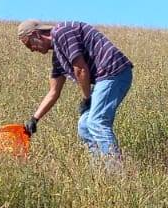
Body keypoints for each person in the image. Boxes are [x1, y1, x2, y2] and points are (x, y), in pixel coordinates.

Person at [16, 19, 133, 161]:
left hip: (114, 72)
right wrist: (34, 119)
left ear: (36, 34)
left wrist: (87, 98)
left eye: (29, 44)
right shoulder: (58, 57)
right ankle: (100, 171)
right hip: (104, 78)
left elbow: (80, 69)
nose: (32, 49)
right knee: (84, 126)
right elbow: (54, 91)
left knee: (96, 122)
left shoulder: (62, 32)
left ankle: (116, 172)